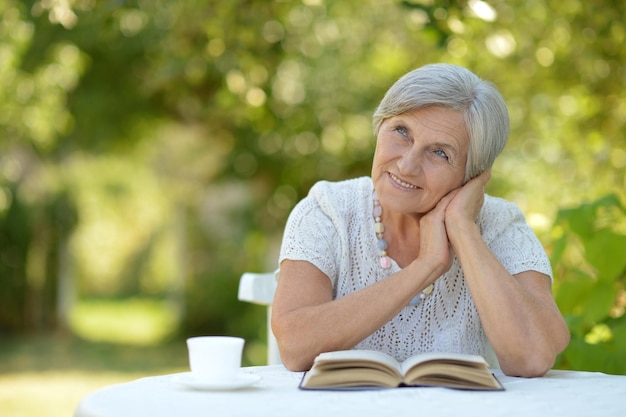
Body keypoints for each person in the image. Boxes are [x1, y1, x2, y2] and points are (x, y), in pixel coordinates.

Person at [270, 63, 570, 377]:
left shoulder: (499, 225)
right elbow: (294, 346)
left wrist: (463, 229)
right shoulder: (328, 209)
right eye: (402, 132)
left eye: (440, 153)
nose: (408, 164)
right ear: (380, 125)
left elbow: (533, 357)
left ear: (472, 176)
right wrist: (426, 265)